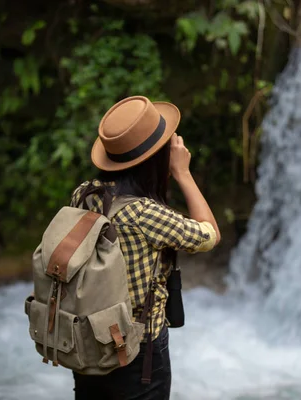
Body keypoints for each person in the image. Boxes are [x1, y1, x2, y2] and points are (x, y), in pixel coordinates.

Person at [70, 96, 221, 399]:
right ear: (154, 159)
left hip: (88, 341)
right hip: (138, 351)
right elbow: (210, 235)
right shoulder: (145, 215)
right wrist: (182, 173)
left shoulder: (84, 195)